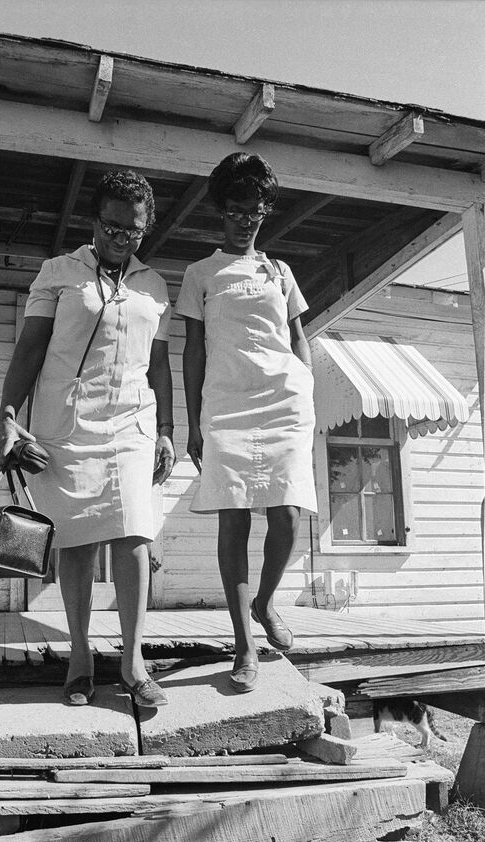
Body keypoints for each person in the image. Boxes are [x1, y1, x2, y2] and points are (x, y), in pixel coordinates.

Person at [0, 169, 175, 708]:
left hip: (132, 424)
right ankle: (79, 656)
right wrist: (7, 416)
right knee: (76, 541)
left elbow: (159, 364)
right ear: (95, 221)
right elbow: (29, 350)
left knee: (135, 534)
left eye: (134, 230)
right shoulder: (58, 273)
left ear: (146, 229)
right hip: (67, 424)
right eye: (114, 226)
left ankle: (133, 660)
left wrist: (166, 428)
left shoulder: (155, 285)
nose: (123, 237)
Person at [177, 152, 317, 694]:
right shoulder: (201, 273)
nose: (246, 219)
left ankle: (264, 601)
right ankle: (243, 642)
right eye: (237, 210)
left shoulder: (280, 272)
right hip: (227, 407)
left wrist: (305, 390)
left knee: (286, 515)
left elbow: (298, 336)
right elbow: (193, 350)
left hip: (283, 402)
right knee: (233, 520)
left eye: (256, 210)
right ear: (221, 210)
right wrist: (193, 422)